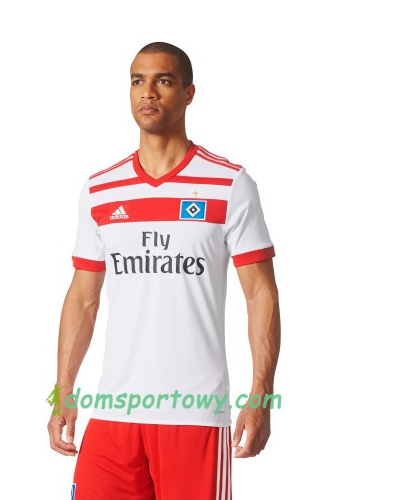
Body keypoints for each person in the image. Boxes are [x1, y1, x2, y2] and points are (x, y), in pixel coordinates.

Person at [47, 41, 281, 500]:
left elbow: (261, 294)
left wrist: (262, 395)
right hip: (113, 414)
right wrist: (63, 390)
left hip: (194, 417)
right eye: (138, 81)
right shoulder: (100, 190)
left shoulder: (230, 185)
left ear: (189, 93)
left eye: (164, 81)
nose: (148, 92)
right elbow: (83, 298)